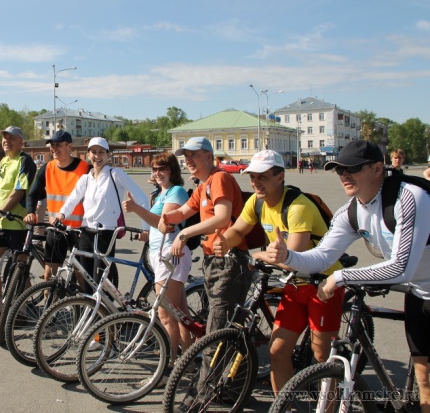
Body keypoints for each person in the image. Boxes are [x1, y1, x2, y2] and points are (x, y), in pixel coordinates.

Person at [260, 140, 430, 412]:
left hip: (416, 283)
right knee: (424, 377)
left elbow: (401, 267)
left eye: (353, 168)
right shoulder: (351, 210)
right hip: (419, 292)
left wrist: (339, 278)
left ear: (378, 168)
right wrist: (287, 257)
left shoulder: (409, 197)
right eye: (339, 170)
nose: (344, 175)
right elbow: (322, 257)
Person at [212, 149, 343, 394]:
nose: (255, 182)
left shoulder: (298, 206)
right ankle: (284, 406)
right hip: (294, 286)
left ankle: (331, 406)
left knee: (322, 357)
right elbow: (238, 230)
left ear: (280, 177)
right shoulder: (257, 201)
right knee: (277, 351)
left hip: (323, 285)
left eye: (262, 176)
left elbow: (294, 259)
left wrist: (259, 256)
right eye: (252, 177)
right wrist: (224, 242)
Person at [159, 136, 251, 335]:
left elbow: (222, 218)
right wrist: (165, 218)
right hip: (214, 259)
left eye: (194, 155)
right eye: (186, 156)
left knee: (218, 327)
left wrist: (185, 233)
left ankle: (216, 356)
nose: (188, 160)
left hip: (229, 258)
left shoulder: (219, 178)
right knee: (222, 322)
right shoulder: (203, 185)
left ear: (209, 157)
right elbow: (182, 212)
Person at [122, 153, 193, 368]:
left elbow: (165, 224)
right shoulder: (160, 193)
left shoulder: (177, 192)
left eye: (163, 168)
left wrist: (136, 208)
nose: (158, 173)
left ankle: (168, 365)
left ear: (173, 171)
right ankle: (188, 359)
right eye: (155, 169)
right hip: (160, 254)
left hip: (171, 255)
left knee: (165, 313)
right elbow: (155, 225)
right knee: (180, 312)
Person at [57, 137, 150, 293]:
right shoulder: (86, 179)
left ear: (108, 155)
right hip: (86, 232)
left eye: (101, 152)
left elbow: (142, 198)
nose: (97, 156)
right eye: (93, 152)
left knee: (98, 282)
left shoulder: (115, 174)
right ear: (88, 155)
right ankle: (89, 308)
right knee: (85, 282)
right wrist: (61, 214)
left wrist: (145, 228)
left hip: (105, 234)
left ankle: (102, 307)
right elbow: (72, 199)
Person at [0, 127, 37, 324]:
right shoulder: (4, 161)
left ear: (21, 142)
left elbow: (18, 192)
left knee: (20, 271)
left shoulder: (25, 161)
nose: (7, 141)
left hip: (19, 224)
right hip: (2, 223)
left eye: (12, 138)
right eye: (4, 138)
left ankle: (22, 311)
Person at [24, 130, 91, 281]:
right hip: (56, 228)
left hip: (79, 230)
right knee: (49, 276)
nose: (53, 148)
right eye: (52, 145)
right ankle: (51, 297)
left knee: (81, 276)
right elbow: (33, 194)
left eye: (58, 145)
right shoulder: (48, 168)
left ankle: (83, 297)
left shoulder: (85, 168)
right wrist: (30, 212)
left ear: (69, 146)